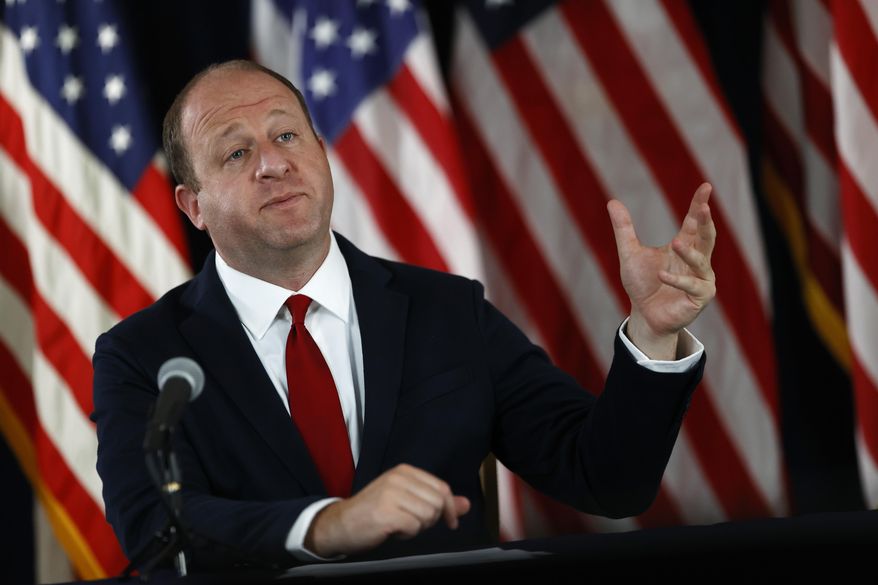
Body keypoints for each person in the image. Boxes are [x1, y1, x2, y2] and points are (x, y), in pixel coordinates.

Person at [92, 59, 715, 570]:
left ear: (320, 151)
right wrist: (328, 524)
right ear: (193, 205)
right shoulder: (144, 356)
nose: (273, 163)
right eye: (235, 153)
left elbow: (606, 480)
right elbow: (154, 530)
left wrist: (654, 336)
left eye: (287, 135)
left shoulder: (449, 311)